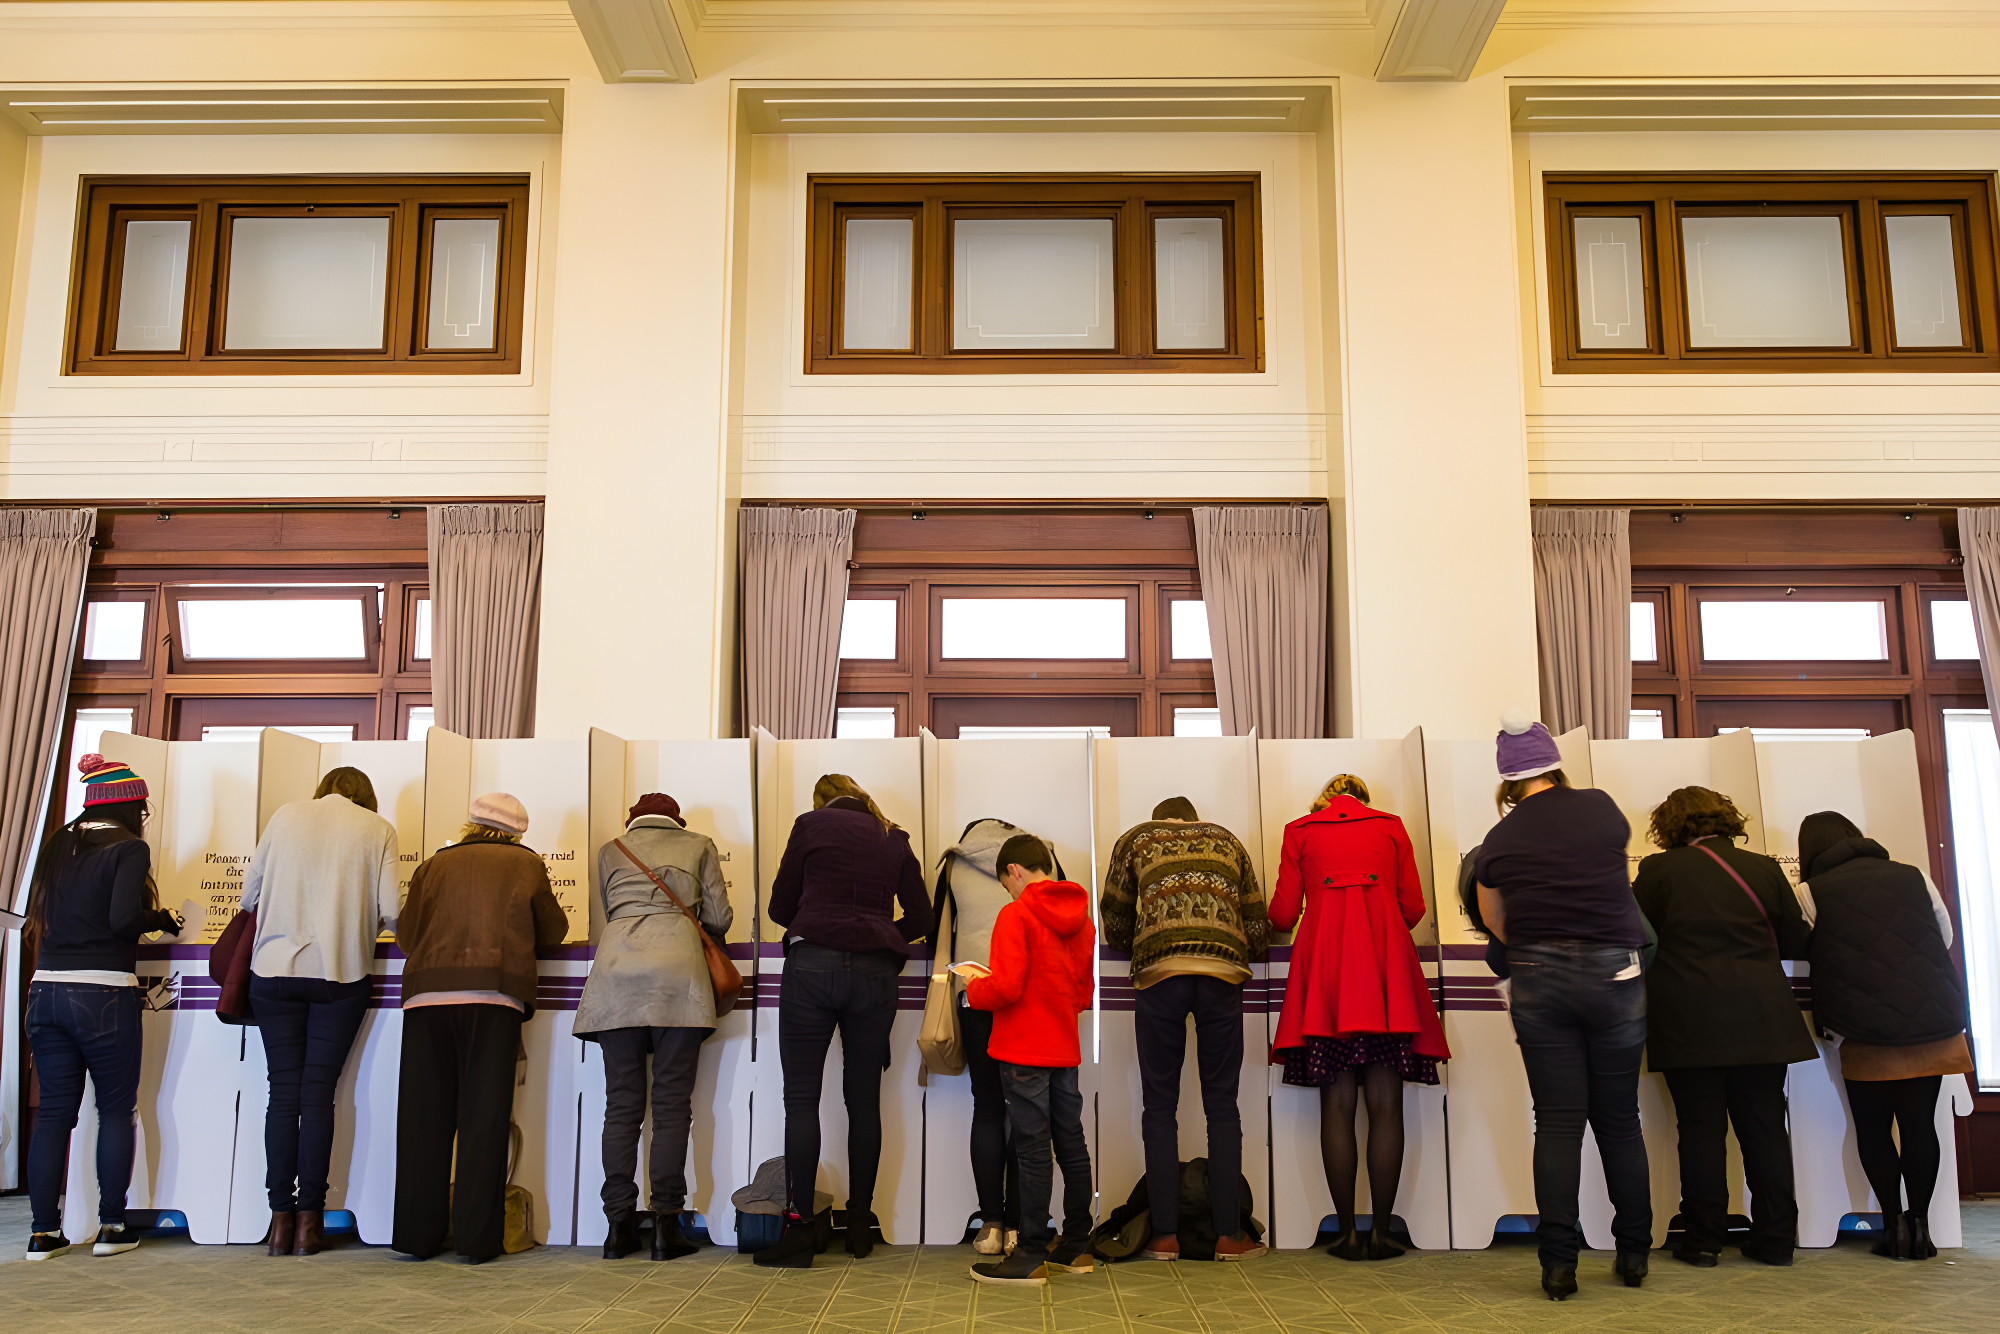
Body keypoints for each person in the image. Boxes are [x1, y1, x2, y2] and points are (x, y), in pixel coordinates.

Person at [1473, 713, 1649, 1301]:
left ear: (1507, 781)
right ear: (1554, 764)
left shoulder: (1497, 842)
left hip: (1538, 977)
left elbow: (1498, 924)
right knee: (1619, 1118)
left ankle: (1558, 1266)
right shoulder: (1601, 808)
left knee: (1557, 1121)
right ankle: (1632, 1253)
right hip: (1614, 972)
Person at [1268, 774, 1449, 1262]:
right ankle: (1384, 1232)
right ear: (1363, 800)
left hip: (1325, 972)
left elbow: (1283, 916)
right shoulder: (1391, 827)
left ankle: (1347, 1232)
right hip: (1385, 971)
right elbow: (1413, 906)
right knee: (1387, 1105)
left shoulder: (1300, 831)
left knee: (1338, 1105)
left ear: (1322, 800)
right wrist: (1381, 922)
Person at [1633, 786, 1814, 1270]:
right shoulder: (1763, 868)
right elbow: (1796, 938)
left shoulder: (1657, 872)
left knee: (1699, 1131)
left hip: (1689, 1019)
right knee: (1765, 1130)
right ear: (1726, 819)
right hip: (1762, 1017)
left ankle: (1704, 1241)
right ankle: (1776, 1240)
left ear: (1669, 827)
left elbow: (1634, 939)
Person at [756, 774, 933, 1269]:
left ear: (822, 803)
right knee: (864, 1102)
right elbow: (922, 917)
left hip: (812, 968)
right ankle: (859, 1227)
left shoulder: (810, 826)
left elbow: (778, 907)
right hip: (875, 976)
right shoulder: (892, 837)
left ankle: (798, 1234)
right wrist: (882, 933)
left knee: (801, 1102)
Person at [391, 793, 568, 1263]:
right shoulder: (526, 865)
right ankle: (475, 1241)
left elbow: (406, 936)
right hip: (493, 997)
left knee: (422, 1120)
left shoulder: (432, 865)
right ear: (516, 832)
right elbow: (554, 931)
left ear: (470, 823)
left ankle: (417, 1237)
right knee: (483, 1119)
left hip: (427, 998)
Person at [20, 756, 183, 1261]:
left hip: (44, 990)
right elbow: (120, 920)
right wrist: (163, 918)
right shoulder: (130, 847)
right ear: (132, 805)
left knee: (53, 1116)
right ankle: (113, 1227)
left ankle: (43, 1234)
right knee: (115, 1108)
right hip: (103, 993)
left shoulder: (57, 844)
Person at [1795, 811, 1973, 1262]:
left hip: (1862, 1027)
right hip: (1929, 1022)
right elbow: (1945, 935)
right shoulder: (1914, 876)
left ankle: (1892, 1225)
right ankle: (1922, 1230)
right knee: (1919, 1126)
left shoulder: (1810, 891)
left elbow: (1802, 953)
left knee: (1872, 1128)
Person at [240, 765, 401, 1258]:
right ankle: (311, 1223)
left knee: (282, 1095)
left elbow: (249, 896)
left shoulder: (285, 816)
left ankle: (279, 1223)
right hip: (340, 974)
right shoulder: (378, 830)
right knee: (318, 1097)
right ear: (366, 796)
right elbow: (392, 908)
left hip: (272, 972)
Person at [1100, 795, 1268, 1263]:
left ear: (1161, 823)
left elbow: (1114, 921)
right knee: (1222, 1104)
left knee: (1159, 1105)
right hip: (1222, 974)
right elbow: (1257, 924)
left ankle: (1165, 1237)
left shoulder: (1136, 839)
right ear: (1194, 823)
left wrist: (1151, 935)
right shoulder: (1228, 841)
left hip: (1160, 973)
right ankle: (1229, 1237)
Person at [575, 792, 733, 1263]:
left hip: (616, 976)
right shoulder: (700, 843)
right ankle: (666, 1226)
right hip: (678, 980)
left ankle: (618, 1228)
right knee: (670, 1106)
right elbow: (720, 918)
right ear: (676, 820)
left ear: (634, 820)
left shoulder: (610, 850)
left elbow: (607, 911)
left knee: (621, 1106)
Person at [961, 835, 1097, 1286]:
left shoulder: (1015, 914)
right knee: (1071, 1143)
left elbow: (1006, 987)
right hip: (1064, 1047)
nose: (1008, 892)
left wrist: (974, 988)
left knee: (1033, 1150)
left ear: (1015, 870)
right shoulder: (1082, 919)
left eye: (1005, 883)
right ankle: (1076, 1247)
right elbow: (1082, 993)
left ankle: (1032, 1254)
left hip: (1022, 1049)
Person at [934, 817, 1037, 1255]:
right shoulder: (1038, 860)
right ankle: (1018, 1225)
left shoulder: (954, 863)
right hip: (1027, 1001)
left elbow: (935, 926)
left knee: (988, 1108)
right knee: (1027, 1110)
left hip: (975, 997)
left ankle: (991, 1224)